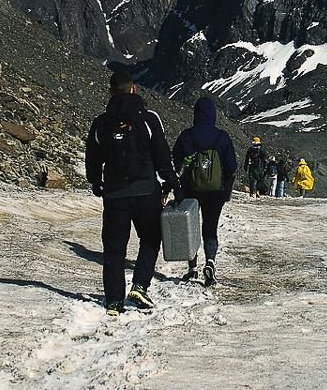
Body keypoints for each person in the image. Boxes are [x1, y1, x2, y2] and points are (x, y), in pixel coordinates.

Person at [84, 70, 181, 316]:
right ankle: (139, 286)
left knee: (114, 248)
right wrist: (172, 184)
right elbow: (161, 154)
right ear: (134, 89)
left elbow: (93, 158)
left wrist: (96, 182)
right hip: (146, 190)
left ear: (110, 92)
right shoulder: (149, 119)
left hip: (115, 195)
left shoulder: (101, 123)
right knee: (150, 238)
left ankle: (114, 300)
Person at [171, 96, 237, 288]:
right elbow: (231, 166)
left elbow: (176, 162)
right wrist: (225, 190)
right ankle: (210, 262)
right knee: (210, 229)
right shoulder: (222, 137)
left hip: (190, 189)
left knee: (190, 229)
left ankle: (192, 268)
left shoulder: (186, 136)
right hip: (215, 191)